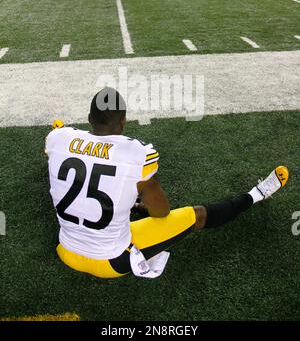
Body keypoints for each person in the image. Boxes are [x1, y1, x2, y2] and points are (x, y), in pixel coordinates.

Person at [45, 88, 289, 279]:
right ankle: (257, 194)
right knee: (197, 216)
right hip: (112, 261)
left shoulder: (58, 138)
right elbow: (161, 211)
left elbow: (55, 145)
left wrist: (65, 137)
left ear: (89, 118)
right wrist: (142, 204)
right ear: (124, 120)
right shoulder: (137, 154)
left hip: (65, 249)